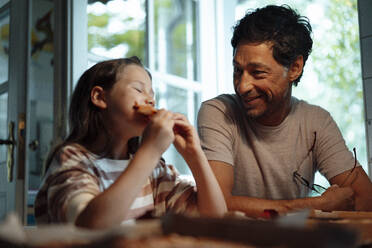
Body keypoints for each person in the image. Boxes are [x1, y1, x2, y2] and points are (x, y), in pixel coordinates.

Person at [197, 4, 372, 217]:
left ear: (295, 68)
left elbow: (365, 198)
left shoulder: (316, 122)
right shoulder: (219, 112)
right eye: (237, 70)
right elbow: (218, 203)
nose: (243, 86)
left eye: (258, 73)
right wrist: (314, 205)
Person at [34, 56, 226, 229]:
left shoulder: (155, 172)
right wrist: (150, 151)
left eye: (152, 94)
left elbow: (215, 221)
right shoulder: (73, 159)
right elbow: (89, 227)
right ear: (100, 97)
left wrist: (195, 156)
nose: (150, 100)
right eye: (138, 89)